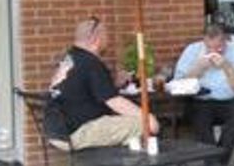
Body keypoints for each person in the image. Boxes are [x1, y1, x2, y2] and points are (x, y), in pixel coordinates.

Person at [44, 17, 160, 150]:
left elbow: (83, 90)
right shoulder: (91, 63)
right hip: (77, 132)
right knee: (146, 124)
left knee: (128, 124)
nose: (108, 41)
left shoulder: (69, 58)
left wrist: (115, 84)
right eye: (106, 36)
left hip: (57, 129)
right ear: (96, 39)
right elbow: (114, 102)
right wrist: (147, 117)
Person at [174, 23, 234, 165]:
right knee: (201, 119)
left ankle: (216, 163)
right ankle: (215, 163)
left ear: (226, 40)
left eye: (218, 47)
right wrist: (198, 68)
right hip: (201, 100)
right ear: (204, 40)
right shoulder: (192, 50)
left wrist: (226, 66)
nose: (214, 51)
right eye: (209, 48)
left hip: (228, 100)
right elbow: (179, 85)